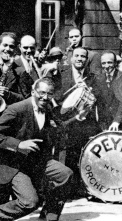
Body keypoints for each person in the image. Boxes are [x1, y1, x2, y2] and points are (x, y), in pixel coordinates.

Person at [0, 78, 73, 221]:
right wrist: (19, 144)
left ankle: (48, 217)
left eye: (49, 94)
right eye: (42, 93)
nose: (45, 97)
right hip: (15, 165)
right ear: (33, 92)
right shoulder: (17, 109)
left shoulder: (47, 108)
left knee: (65, 174)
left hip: (37, 161)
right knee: (30, 202)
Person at [51, 47, 101, 198]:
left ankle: (77, 188)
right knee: (62, 154)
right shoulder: (59, 72)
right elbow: (53, 92)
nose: (80, 59)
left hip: (81, 121)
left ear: (86, 60)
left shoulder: (91, 76)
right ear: (71, 57)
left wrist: (88, 92)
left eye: (83, 57)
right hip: (63, 119)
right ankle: (62, 189)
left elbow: (96, 96)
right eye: (77, 56)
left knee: (79, 153)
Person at [95, 51, 122, 132]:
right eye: (104, 63)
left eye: (109, 62)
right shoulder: (98, 78)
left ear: (115, 63)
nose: (106, 66)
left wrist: (117, 121)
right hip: (104, 124)